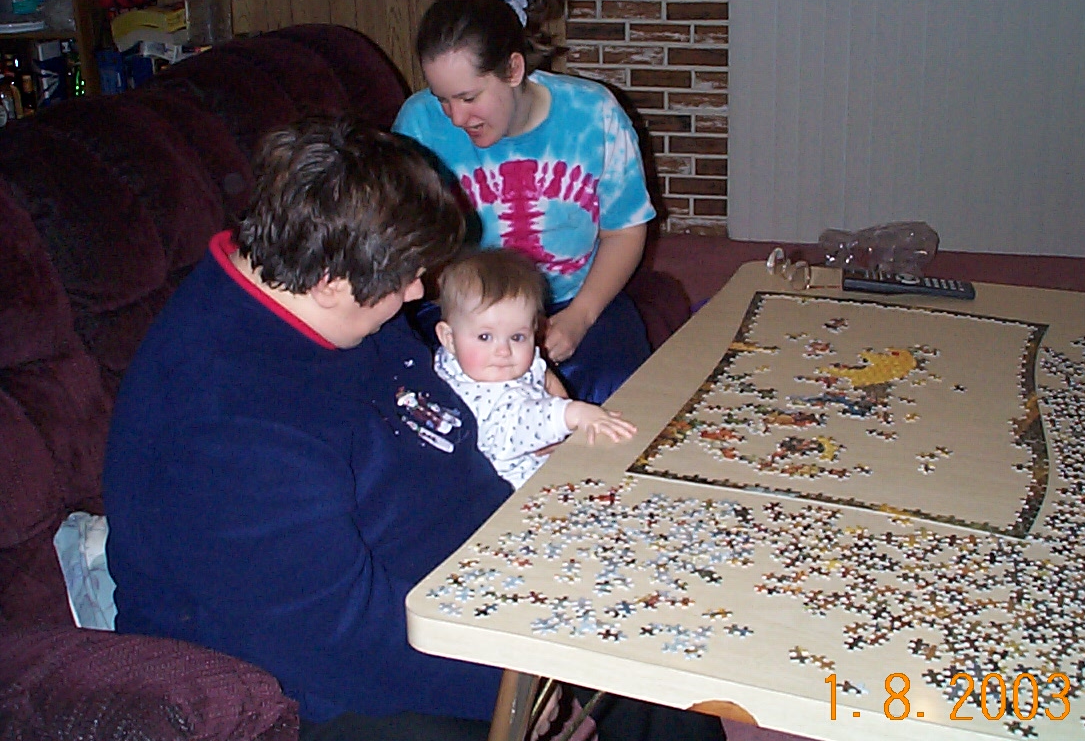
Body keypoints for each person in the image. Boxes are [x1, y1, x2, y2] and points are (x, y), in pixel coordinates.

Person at [102, 115, 724, 741]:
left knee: (659, 651)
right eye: (404, 281)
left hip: (457, 579)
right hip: (329, 683)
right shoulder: (225, 424)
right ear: (331, 283)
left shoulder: (326, 291)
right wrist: (514, 688)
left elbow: (433, 410)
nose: (415, 292)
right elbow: (336, 639)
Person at [394, 0, 655, 406]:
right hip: (458, 312)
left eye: (469, 97)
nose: (455, 118)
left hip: (572, 299)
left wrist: (580, 317)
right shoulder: (418, 124)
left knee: (622, 397)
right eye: (443, 99)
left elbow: (623, 231)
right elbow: (403, 243)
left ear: (514, 69)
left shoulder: (595, 114)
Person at [434, 248, 637, 488]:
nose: (504, 350)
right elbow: (517, 423)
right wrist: (572, 413)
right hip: (510, 491)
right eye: (485, 337)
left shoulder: (483, 361)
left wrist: (555, 389)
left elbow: (540, 372)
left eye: (517, 337)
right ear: (449, 338)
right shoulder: (473, 390)